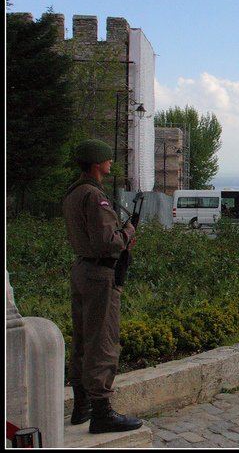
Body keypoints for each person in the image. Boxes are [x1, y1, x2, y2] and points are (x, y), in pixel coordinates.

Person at [62, 139, 143, 434]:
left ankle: (81, 405)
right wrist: (128, 232)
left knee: (83, 339)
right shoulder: (95, 197)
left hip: (83, 269)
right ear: (97, 164)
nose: (111, 164)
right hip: (99, 274)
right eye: (108, 160)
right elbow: (107, 242)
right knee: (103, 342)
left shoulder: (73, 192)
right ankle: (102, 412)